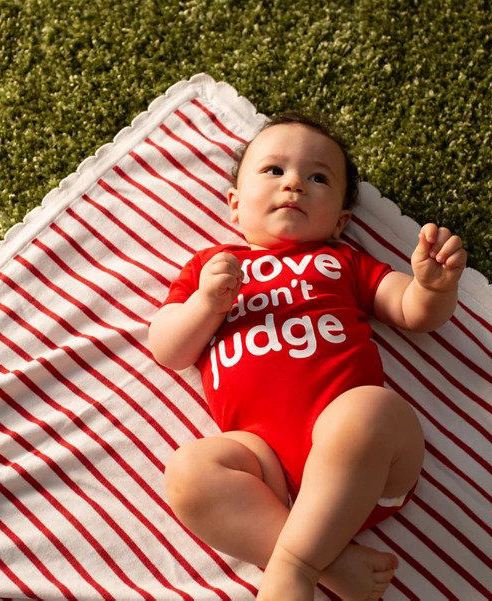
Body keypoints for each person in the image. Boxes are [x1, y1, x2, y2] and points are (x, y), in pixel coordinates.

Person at [148, 112, 467, 601]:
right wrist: (205, 304)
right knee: (188, 472)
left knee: (368, 409)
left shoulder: (343, 262)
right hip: (265, 476)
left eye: (318, 177)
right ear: (235, 206)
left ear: (340, 221)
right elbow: (169, 349)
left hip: (364, 465)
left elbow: (411, 311)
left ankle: (294, 568)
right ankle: (331, 566)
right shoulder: (211, 267)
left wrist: (433, 287)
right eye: (273, 171)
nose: (294, 183)